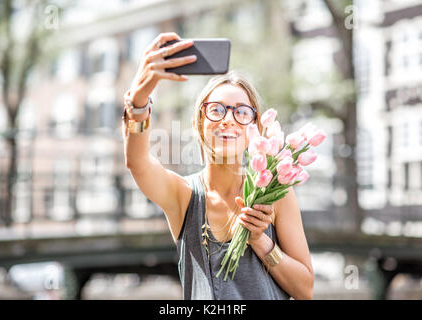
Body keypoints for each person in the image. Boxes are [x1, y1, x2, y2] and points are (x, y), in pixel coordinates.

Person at [123, 32, 314, 300]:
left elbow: (305, 289)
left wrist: (260, 240)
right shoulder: (184, 195)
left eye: (242, 112)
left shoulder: (277, 193)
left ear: (256, 128)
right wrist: (138, 98)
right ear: (197, 123)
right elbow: (137, 163)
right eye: (216, 109)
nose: (228, 120)